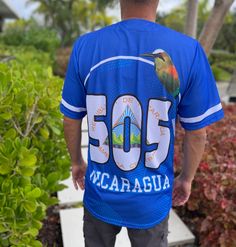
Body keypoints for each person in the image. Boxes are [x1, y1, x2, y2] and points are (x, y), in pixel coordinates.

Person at [60, 0, 224, 246]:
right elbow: (197, 132)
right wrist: (186, 178)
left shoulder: (86, 46)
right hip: (151, 199)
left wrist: (76, 162)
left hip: (100, 194)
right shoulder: (188, 50)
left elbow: (71, 118)